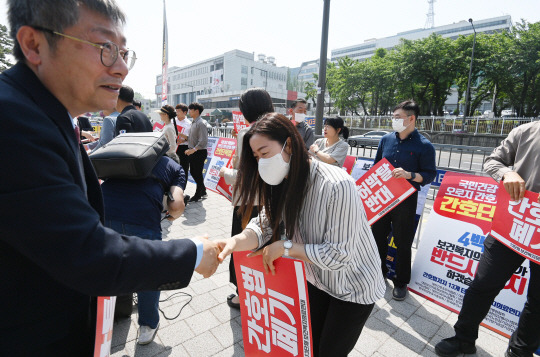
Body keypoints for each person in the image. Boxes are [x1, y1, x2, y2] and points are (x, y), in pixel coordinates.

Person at [0, 1, 220, 354]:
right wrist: (193, 252)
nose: (121, 69)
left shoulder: (46, 115)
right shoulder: (13, 120)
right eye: (105, 49)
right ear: (34, 45)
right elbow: (87, 254)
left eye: (124, 53)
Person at [216, 113, 385, 357]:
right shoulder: (282, 181)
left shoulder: (337, 185)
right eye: (256, 157)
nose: (262, 162)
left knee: (330, 351)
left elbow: (338, 256)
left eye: (265, 153)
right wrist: (232, 243)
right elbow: (265, 224)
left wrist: (286, 247)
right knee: (308, 346)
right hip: (315, 277)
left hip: (352, 285)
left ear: (291, 144)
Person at [435, 121, 540, 357]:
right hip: (513, 223)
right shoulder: (526, 131)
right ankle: (463, 339)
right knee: (482, 285)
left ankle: (520, 352)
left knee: (538, 301)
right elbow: (493, 161)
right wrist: (507, 172)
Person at [101, 125, 186, 345]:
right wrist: (171, 217)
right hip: (142, 220)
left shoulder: (123, 157)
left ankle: (103, 319)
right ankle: (147, 325)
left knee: (111, 267)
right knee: (149, 271)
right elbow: (176, 205)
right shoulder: (173, 167)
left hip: (104, 213)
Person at [371, 100, 436, 301]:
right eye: (393, 117)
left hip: (405, 200)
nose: (394, 121)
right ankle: (378, 273)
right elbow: (376, 166)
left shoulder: (424, 146)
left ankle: (401, 282)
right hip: (382, 198)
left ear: (411, 119)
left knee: (403, 241)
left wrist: (410, 175)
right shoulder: (386, 139)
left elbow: (429, 174)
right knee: (377, 237)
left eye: (398, 117)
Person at [218, 87, 274, 309]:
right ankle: (269, 289)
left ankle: (244, 294)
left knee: (244, 247)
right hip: (273, 200)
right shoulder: (280, 128)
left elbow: (246, 177)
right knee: (268, 246)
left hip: (250, 202)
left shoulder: (248, 133)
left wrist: (224, 174)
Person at [185, 102, 208, 202]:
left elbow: (203, 140)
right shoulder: (193, 122)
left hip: (199, 152)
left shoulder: (201, 123)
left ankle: (198, 194)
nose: (189, 111)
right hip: (193, 151)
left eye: (190, 110)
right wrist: (185, 139)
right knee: (194, 172)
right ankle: (202, 190)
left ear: (196, 111)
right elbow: (193, 138)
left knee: (197, 173)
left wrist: (193, 150)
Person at [175, 103, 191, 183]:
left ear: (185, 112)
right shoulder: (172, 121)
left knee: (184, 168)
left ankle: (182, 187)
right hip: (174, 146)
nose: (177, 112)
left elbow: (191, 138)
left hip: (184, 148)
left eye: (179, 111)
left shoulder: (189, 123)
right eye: (176, 110)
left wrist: (182, 138)